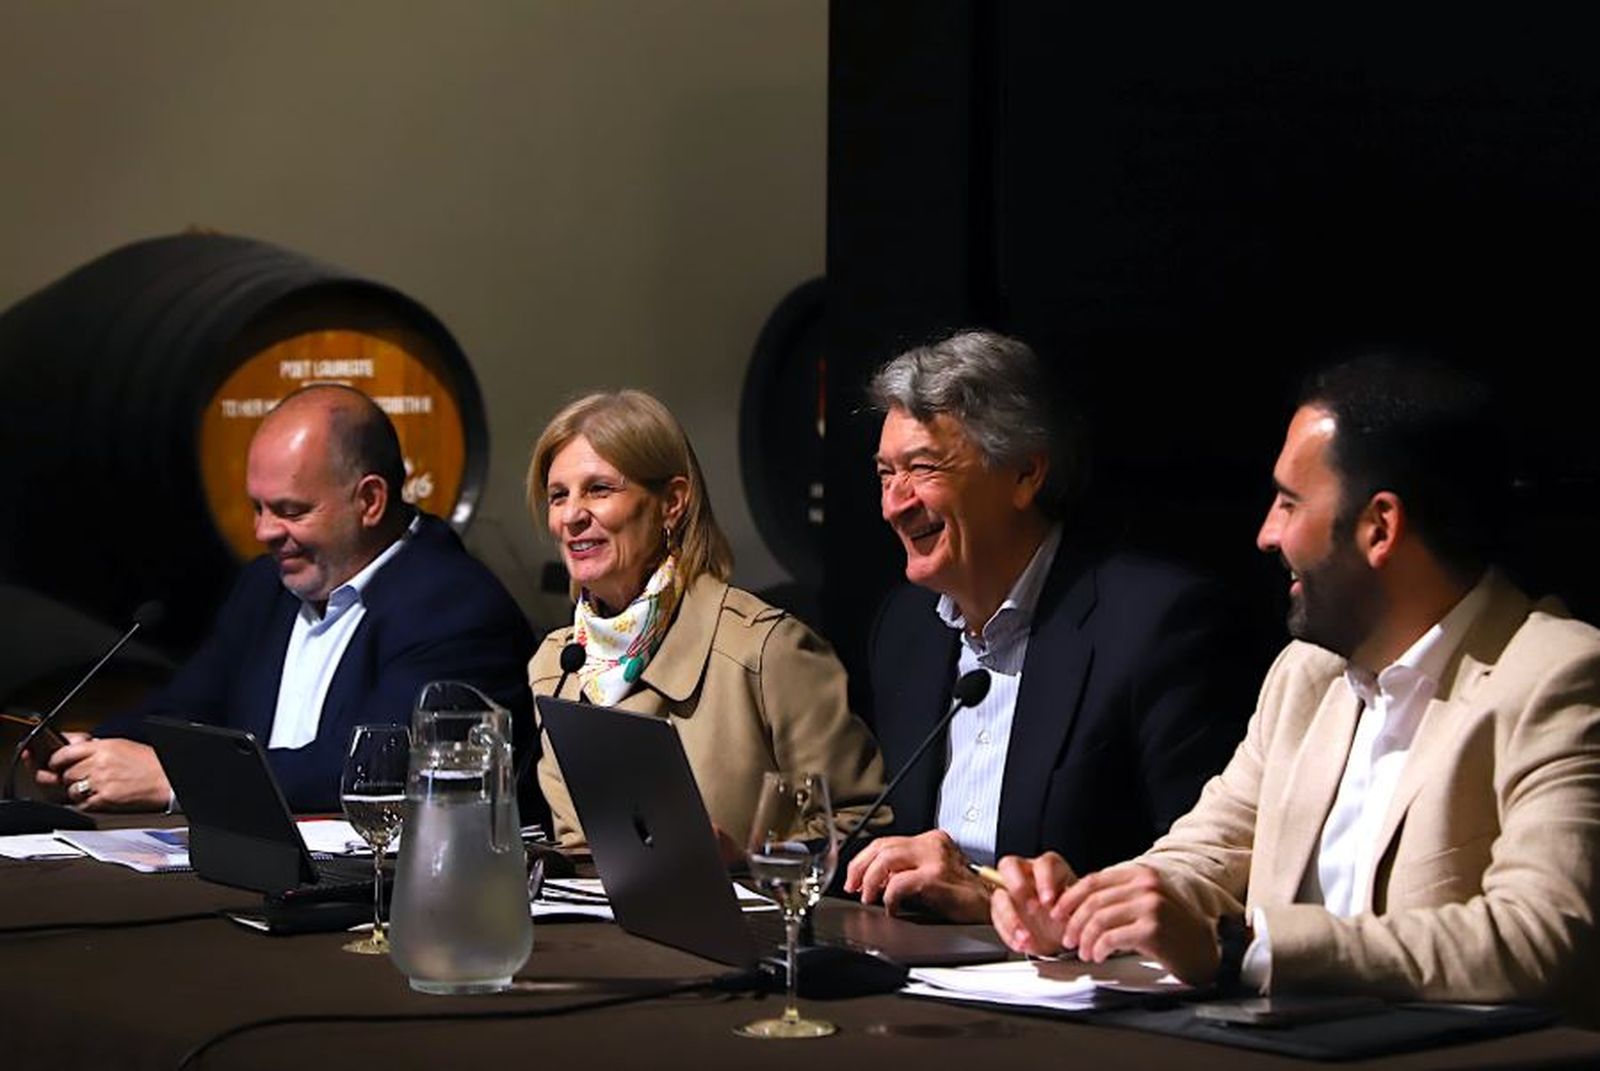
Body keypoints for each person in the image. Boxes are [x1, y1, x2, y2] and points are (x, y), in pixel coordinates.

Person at [991, 353, 1600, 1023]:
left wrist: (1245, 950)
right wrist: (1095, 906)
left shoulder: (1557, 673)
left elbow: (1545, 933)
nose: (1266, 533)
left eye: (1289, 502)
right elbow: (1209, 849)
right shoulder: (1305, 675)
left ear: (1379, 526)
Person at [843, 329, 1250, 921]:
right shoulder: (905, 629)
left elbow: (1202, 875)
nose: (894, 504)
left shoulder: (1155, 626)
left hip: (1074, 987)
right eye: (885, 474)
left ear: (1025, 474)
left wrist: (994, 900)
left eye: (923, 468)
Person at [35, 384, 536, 813]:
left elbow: (376, 769)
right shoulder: (265, 586)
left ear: (369, 501)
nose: (264, 531)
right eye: (257, 508)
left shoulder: (453, 604)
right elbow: (190, 707)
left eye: (290, 511)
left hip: (375, 900)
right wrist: (94, 750)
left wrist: (176, 780)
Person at [528, 390, 886, 852]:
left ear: (672, 501)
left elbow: (864, 827)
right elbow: (580, 850)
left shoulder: (765, 650)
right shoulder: (555, 666)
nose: (572, 515)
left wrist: (751, 859)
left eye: (599, 489)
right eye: (558, 496)